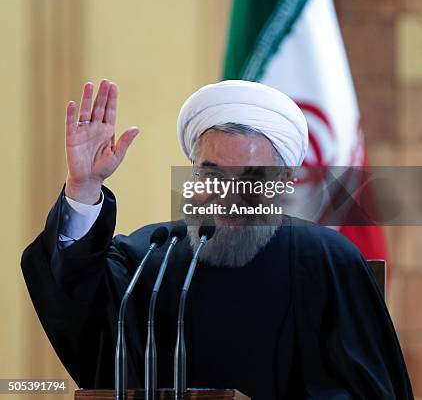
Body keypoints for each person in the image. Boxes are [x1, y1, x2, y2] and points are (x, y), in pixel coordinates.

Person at [21, 79, 414, 399]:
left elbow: (370, 390)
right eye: (211, 174)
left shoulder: (329, 261)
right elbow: (75, 298)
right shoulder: (153, 256)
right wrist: (84, 187)